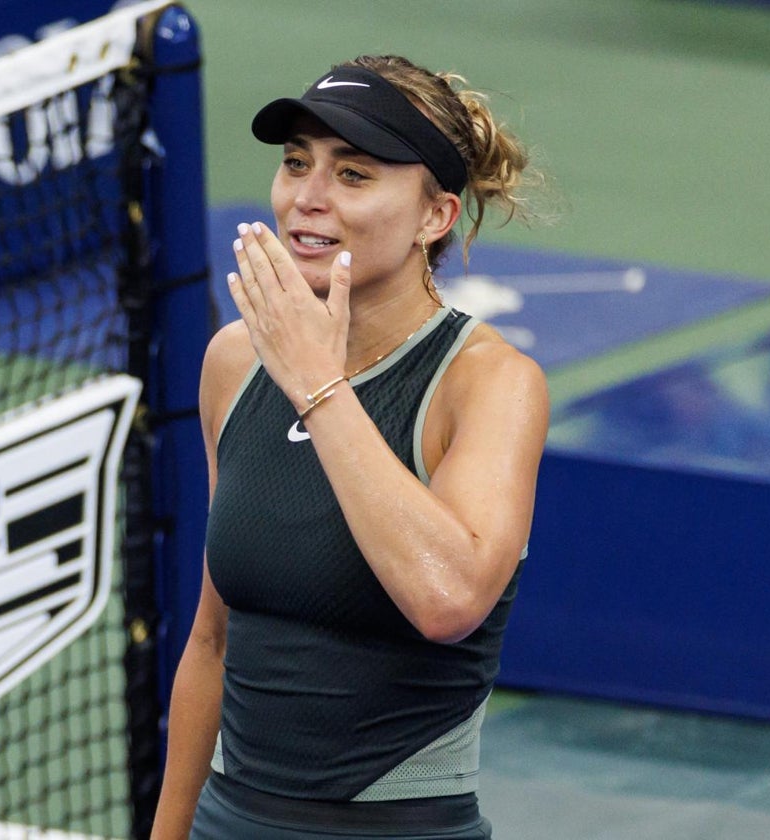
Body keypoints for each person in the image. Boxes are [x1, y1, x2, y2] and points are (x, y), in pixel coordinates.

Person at [151, 54, 550, 840]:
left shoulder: (490, 384)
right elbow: (213, 639)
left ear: (434, 217)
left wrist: (317, 385)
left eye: (353, 174)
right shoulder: (235, 362)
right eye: (297, 163)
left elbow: (448, 599)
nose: (307, 196)